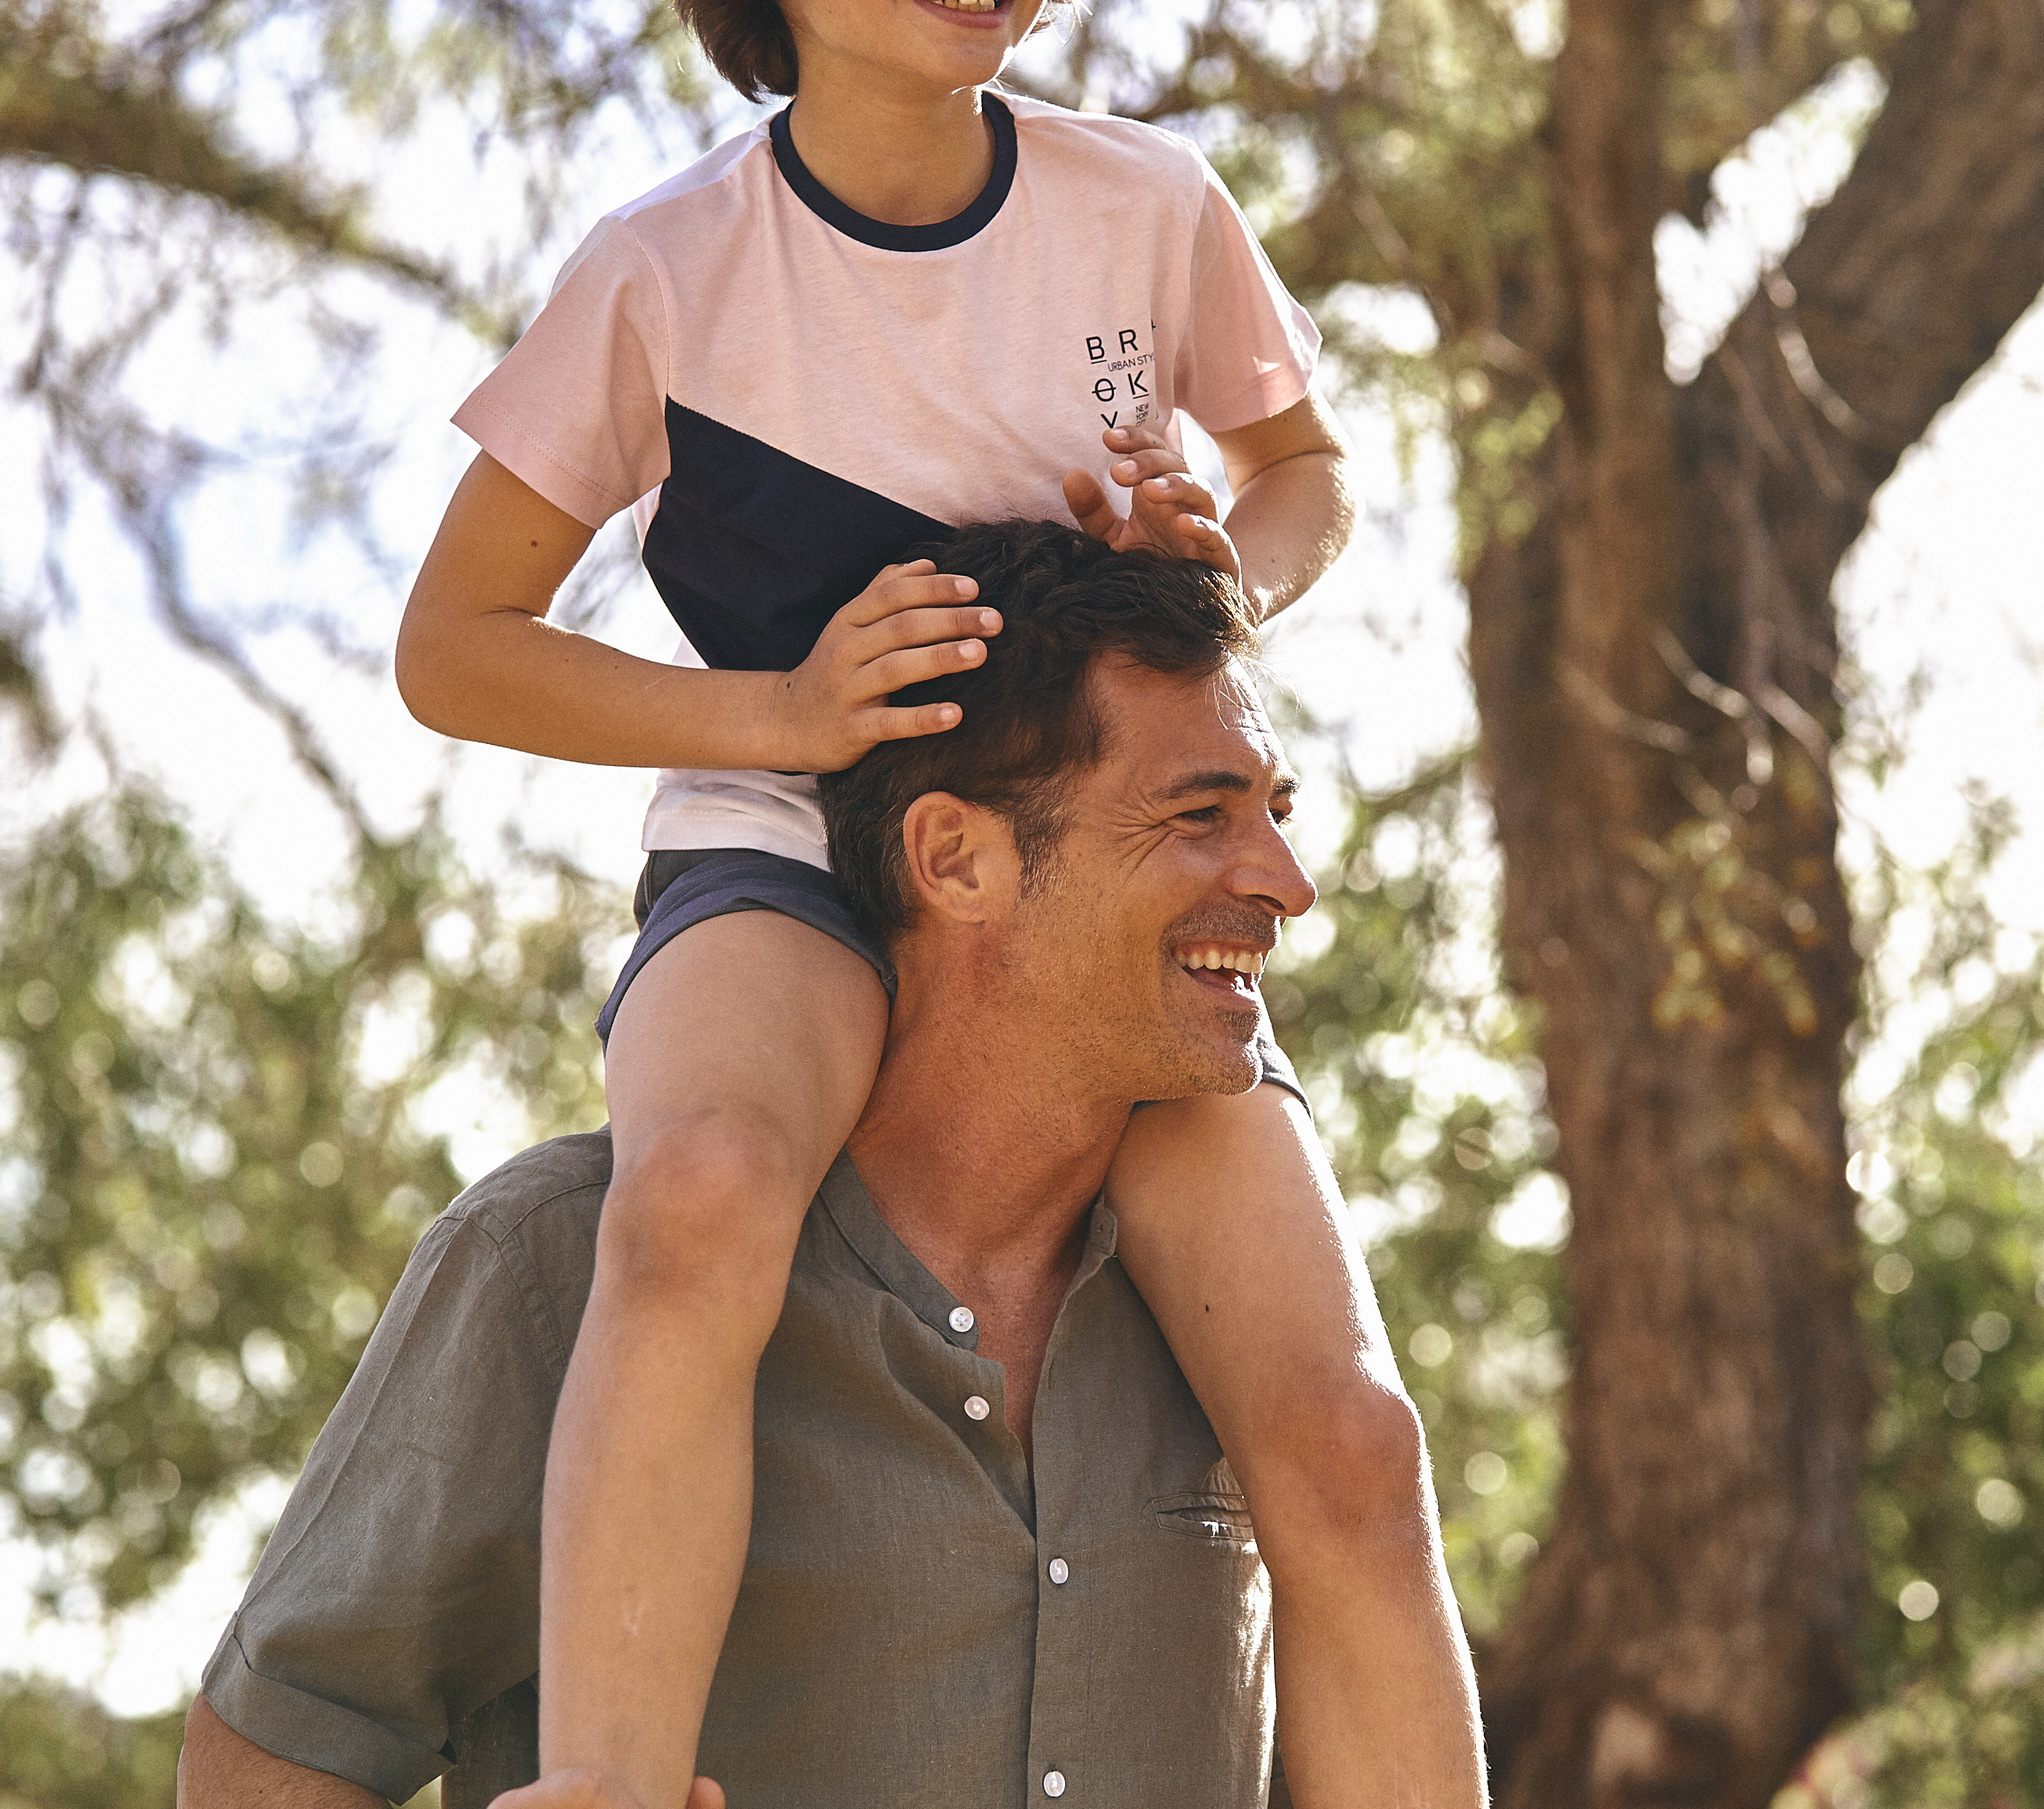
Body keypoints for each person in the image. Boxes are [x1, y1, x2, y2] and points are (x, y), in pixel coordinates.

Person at [389, 1, 1476, 1806]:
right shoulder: (663, 274)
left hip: (1095, 888)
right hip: (785, 837)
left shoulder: (1149, 200)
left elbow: (1308, 481)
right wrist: (781, 716)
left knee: (1353, 1432)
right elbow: (453, 650)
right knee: (701, 1193)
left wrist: (1232, 574)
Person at [181, 523, 1483, 1809]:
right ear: (955, 857)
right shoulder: (559, 1266)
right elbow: (263, 1763)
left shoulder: (1260, 1338)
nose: (1288, 883)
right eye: (1199, 817)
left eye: (1274, 812)